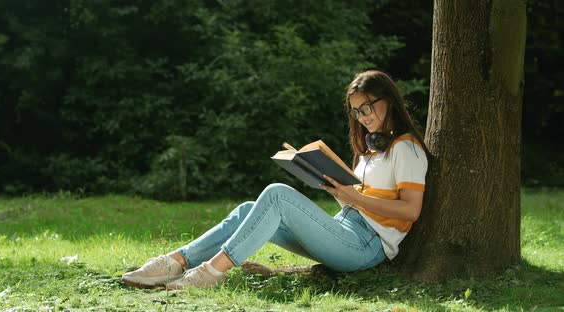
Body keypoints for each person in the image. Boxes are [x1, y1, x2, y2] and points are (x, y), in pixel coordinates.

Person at [121, 69, 429, 290]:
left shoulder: (407, 149)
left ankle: (212, 272)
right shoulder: (370, 149)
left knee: (277, 193)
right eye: (356, 111)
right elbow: (356, 200)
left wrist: (355, 198)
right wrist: (332, 187)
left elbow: (411, 210)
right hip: (343, 228)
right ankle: (176, 262)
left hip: (366, 246)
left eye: (368, 107)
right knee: (246, 211)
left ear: (388, 100)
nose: (362, 117)